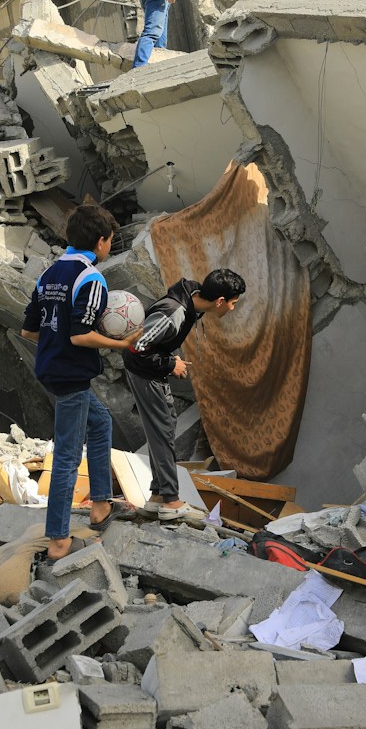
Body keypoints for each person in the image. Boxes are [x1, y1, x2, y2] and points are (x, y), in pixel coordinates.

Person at [20, 204, 142, 557]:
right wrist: (120, 343)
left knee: (101, 422)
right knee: (68, 457)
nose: (109, 247)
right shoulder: (91, 279)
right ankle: (59, 540)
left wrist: (56, 339)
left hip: (50, 368)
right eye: (110, 241)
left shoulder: (49, 273)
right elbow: (80, 336)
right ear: (101, 242)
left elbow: (29, 330)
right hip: (71, 376)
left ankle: (101, 505)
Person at [123, 269, 246, 518]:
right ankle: (170, 501)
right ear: (220, 301)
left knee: (165, 427)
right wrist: (170, 364)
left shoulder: (192, 303)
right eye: (232, 303)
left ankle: (158, 496)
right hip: (144, 374)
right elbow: (136, 346)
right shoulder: (174, 313)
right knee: (161, 432)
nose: (232, 309)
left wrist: (169, 359)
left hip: (150, 371)